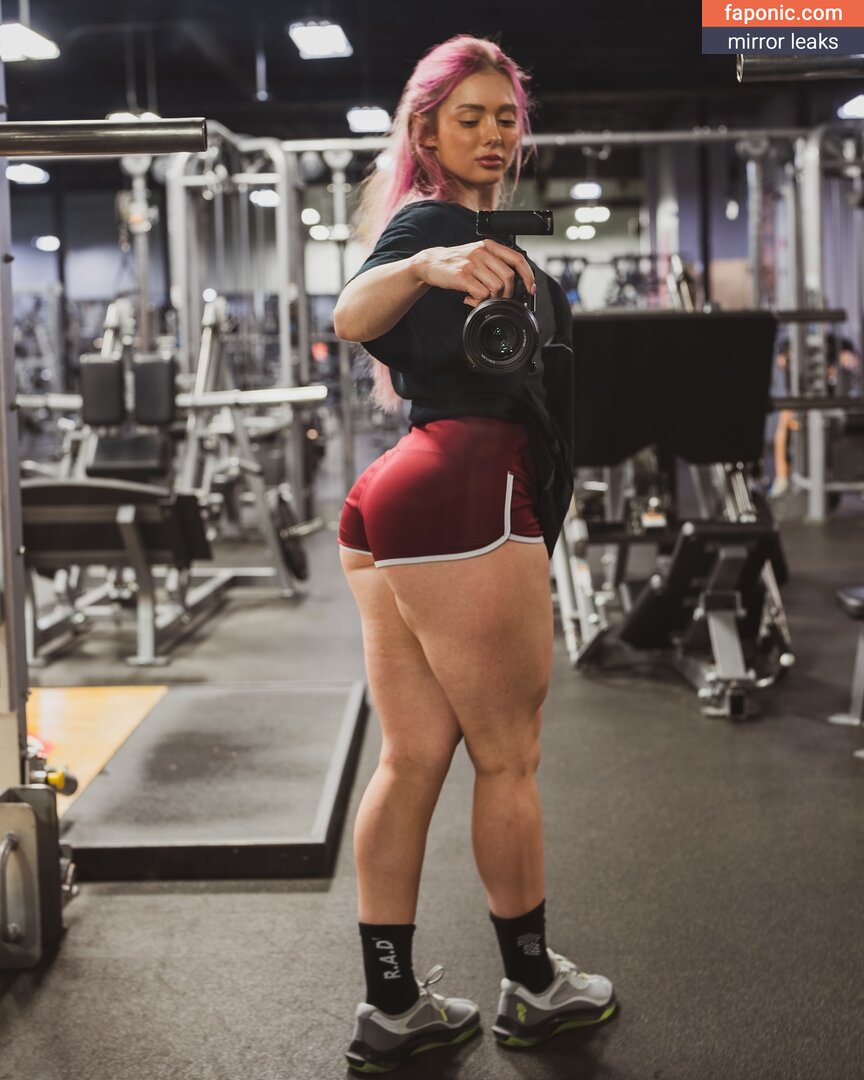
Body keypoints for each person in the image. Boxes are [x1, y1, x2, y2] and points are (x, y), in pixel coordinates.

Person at [333, 35, 616, 1074]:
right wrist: (419, 263)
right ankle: (535, 988)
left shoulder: (481, 232)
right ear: (426, 131)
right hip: (468, 490)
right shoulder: (432, 225)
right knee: (508, 757)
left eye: (505, 117)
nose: (493, 133)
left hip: (404, 494)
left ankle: (392, 1007)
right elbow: (349, 314)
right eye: (470, 117)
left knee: (411, 758)